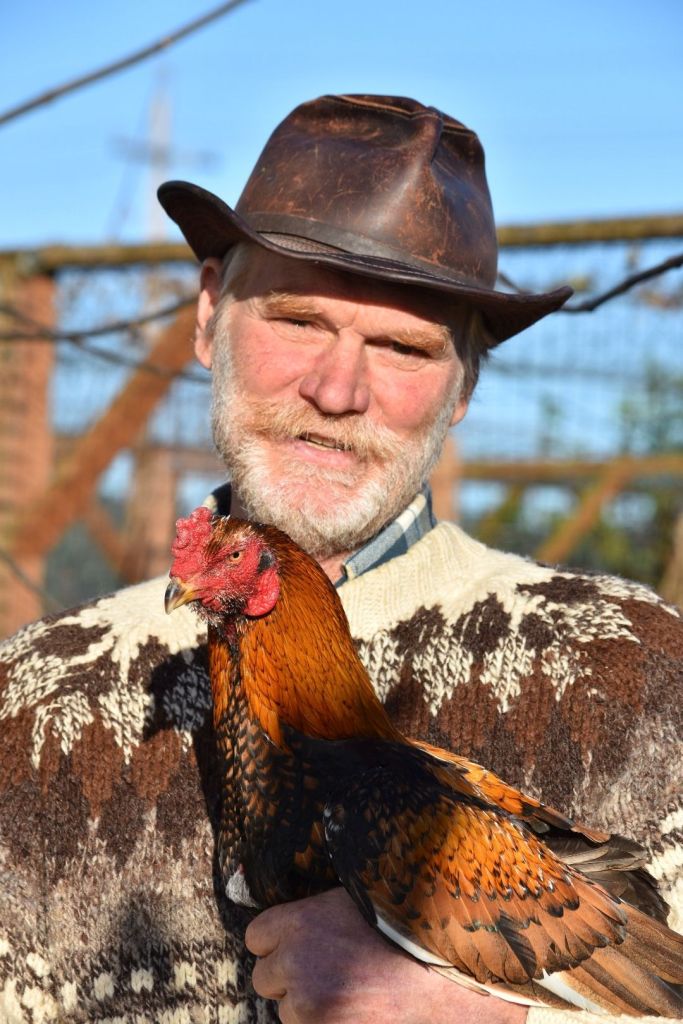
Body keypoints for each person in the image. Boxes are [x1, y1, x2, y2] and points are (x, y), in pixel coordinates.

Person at [0, 94, 681, 1024]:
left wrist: (502, 1017)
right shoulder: (29, 701)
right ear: (208, 316)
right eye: (297, 321)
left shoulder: (638, 671)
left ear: (463, 386)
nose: (335, 389)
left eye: (400, 345)